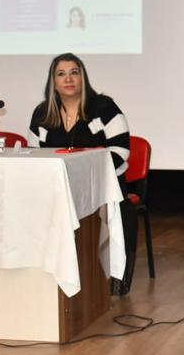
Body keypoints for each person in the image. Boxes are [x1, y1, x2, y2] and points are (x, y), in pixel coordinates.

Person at [28, 54, 137, 293]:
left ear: (83, 77)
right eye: (61, 74)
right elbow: (34, 155)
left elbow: (121, 151)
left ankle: (103, 280)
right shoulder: (42, 114)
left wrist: (88, 176)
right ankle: (49, 278)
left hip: (102, 189)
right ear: (53, 82)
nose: (68, 79)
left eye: (74, 73)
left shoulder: (104, 108)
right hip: (57, 190)